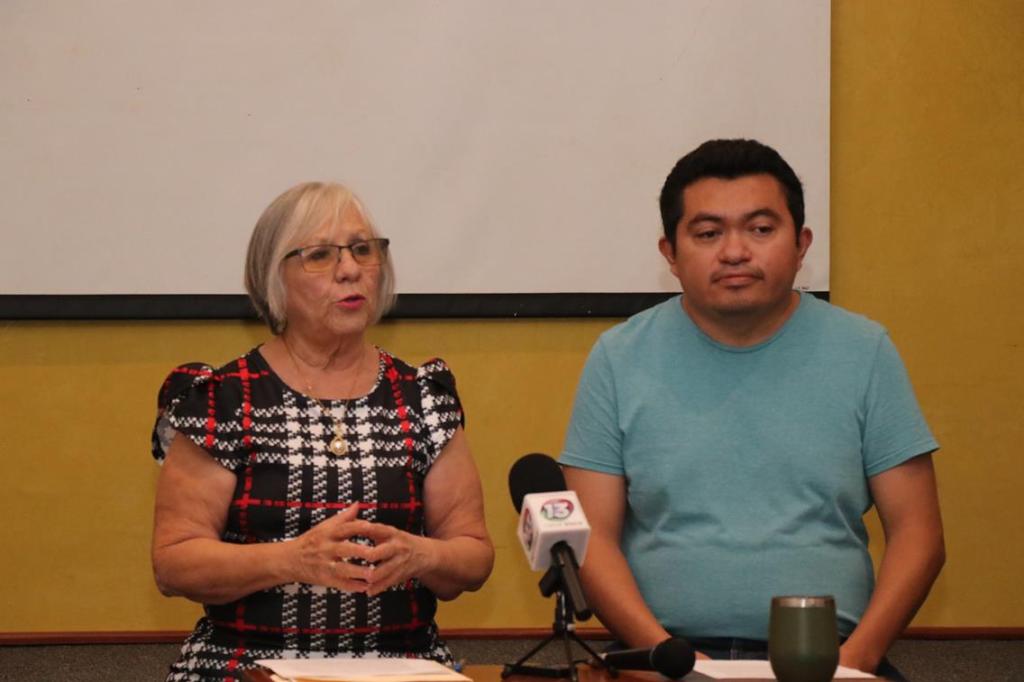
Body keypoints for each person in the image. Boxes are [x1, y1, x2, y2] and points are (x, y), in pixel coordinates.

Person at [559, 139, 944, 679]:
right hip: (662, 657)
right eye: (708, 233)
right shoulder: (618, 358)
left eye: (761, 229)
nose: (735, 252)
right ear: (670, 253)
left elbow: (918, 535)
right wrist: (667, 657)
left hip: (832, 656)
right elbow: (590, 540)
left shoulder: (865, 352)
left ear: (802, 244)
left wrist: (855, 661)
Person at [150, 182, 494, 681]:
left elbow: (474, 556)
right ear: (274, 278)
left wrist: (423, 555)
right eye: (319, 255)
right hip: (244, 665)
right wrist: (291, 560)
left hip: (401, 667)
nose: (350, 269)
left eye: (362, 250)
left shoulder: (423, 396)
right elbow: (174, 564)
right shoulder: (223, 398)